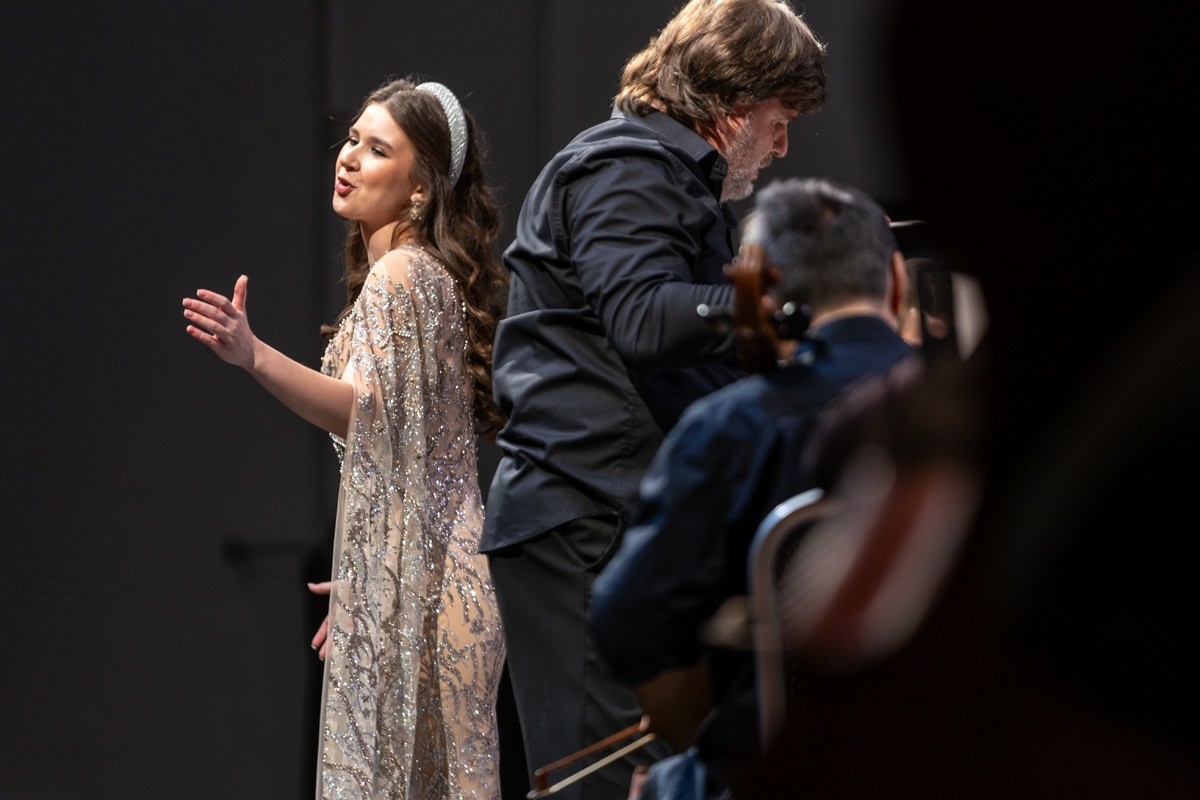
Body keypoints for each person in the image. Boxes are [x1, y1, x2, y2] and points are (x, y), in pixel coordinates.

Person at [480, 2, 828, 796]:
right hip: (585, 518)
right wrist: (781, 304)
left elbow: (694, 359)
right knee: (602, 780)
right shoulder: (624, 166)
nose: (782, 146)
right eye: (779, 121)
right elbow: (642, 317)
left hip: (619, 516)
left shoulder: (665, 178)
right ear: (734, 100)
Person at [181, 77, 508, 800]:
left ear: (421, 186)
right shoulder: (421, 274)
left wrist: (253, 355)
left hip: (434, 592)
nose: (350, 157)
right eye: (353, 139)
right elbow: (412, 457)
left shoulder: (400, 275)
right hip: (442, 580)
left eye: (378, 148)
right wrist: (375, 575)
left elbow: (366, 415)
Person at [587, 176, 917, 798]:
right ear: (896, 281)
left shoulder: (729, 428)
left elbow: (625, 627)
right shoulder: (973, 410)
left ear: (757, 292)